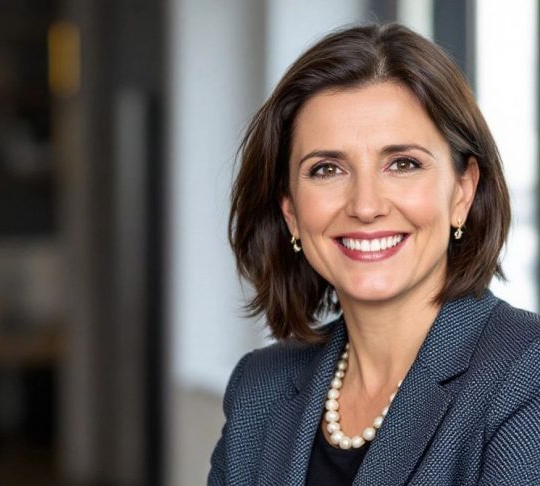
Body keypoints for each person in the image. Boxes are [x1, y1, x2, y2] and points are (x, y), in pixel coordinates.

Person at [209, 23, 540, 485]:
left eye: (403, 164)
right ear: (291, 211)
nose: (365, 206)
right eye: (326, 169)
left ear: (463, 192)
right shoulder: (259, 387)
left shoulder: (525, 373)